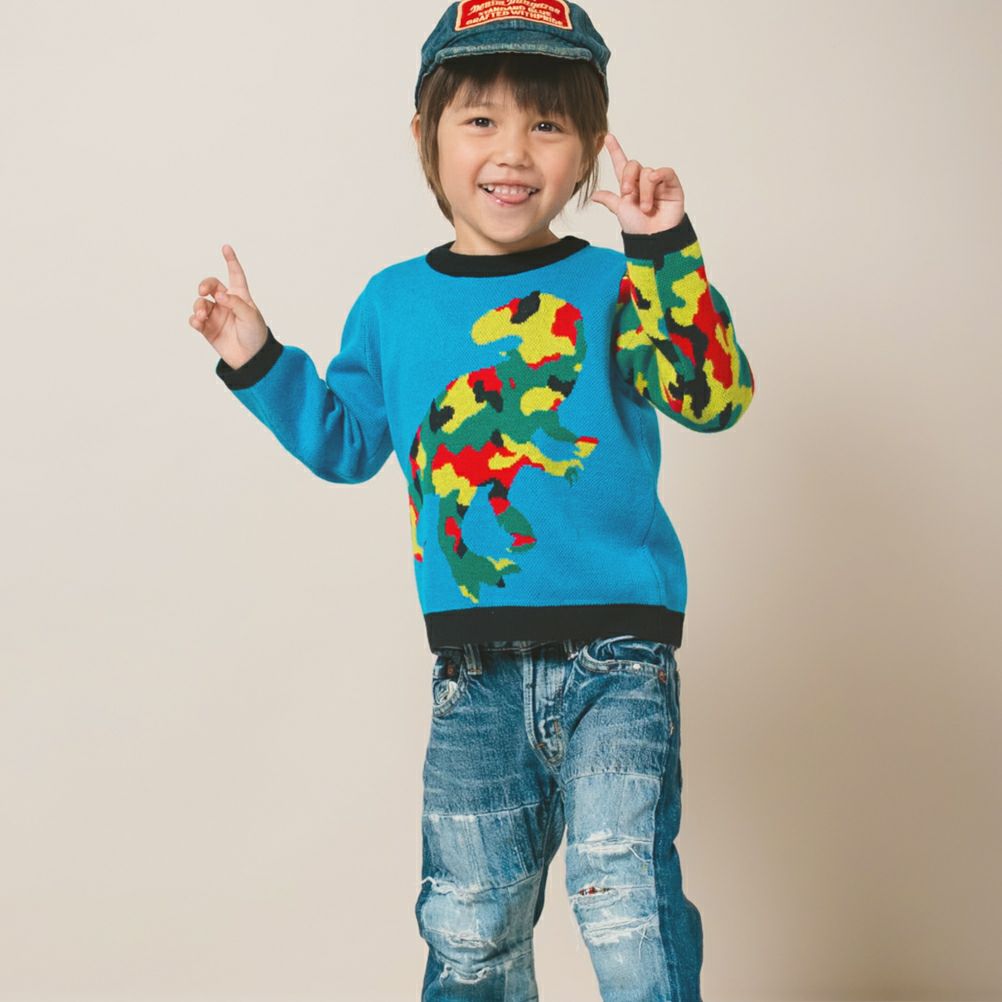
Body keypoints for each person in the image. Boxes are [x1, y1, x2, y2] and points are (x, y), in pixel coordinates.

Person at [188, 2, 754, 997]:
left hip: (619, 656)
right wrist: (258, 357)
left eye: (548, 122)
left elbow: (713, 399)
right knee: (469, 919)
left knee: (623, 895)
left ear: (589, 148)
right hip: (474, 668)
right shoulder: (393, 302)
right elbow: (347, 444)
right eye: (481, 119)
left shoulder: (617, 285)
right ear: (427, 135)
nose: (513, 151)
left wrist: (664, 247)